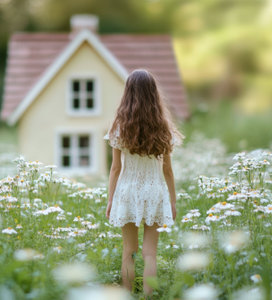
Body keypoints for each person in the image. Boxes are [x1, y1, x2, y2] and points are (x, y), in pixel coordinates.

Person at [104, 69, 184, 298]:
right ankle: (149, 297)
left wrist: (111, 199)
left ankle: (127, 295)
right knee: (150, 254)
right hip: (155, 192)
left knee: (128, 251)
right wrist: (172, 201)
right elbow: (167, 170)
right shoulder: (163, 128)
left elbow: (116, 168)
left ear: (127, 93)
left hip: (127, 191)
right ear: (153, 94)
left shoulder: (119, 127)